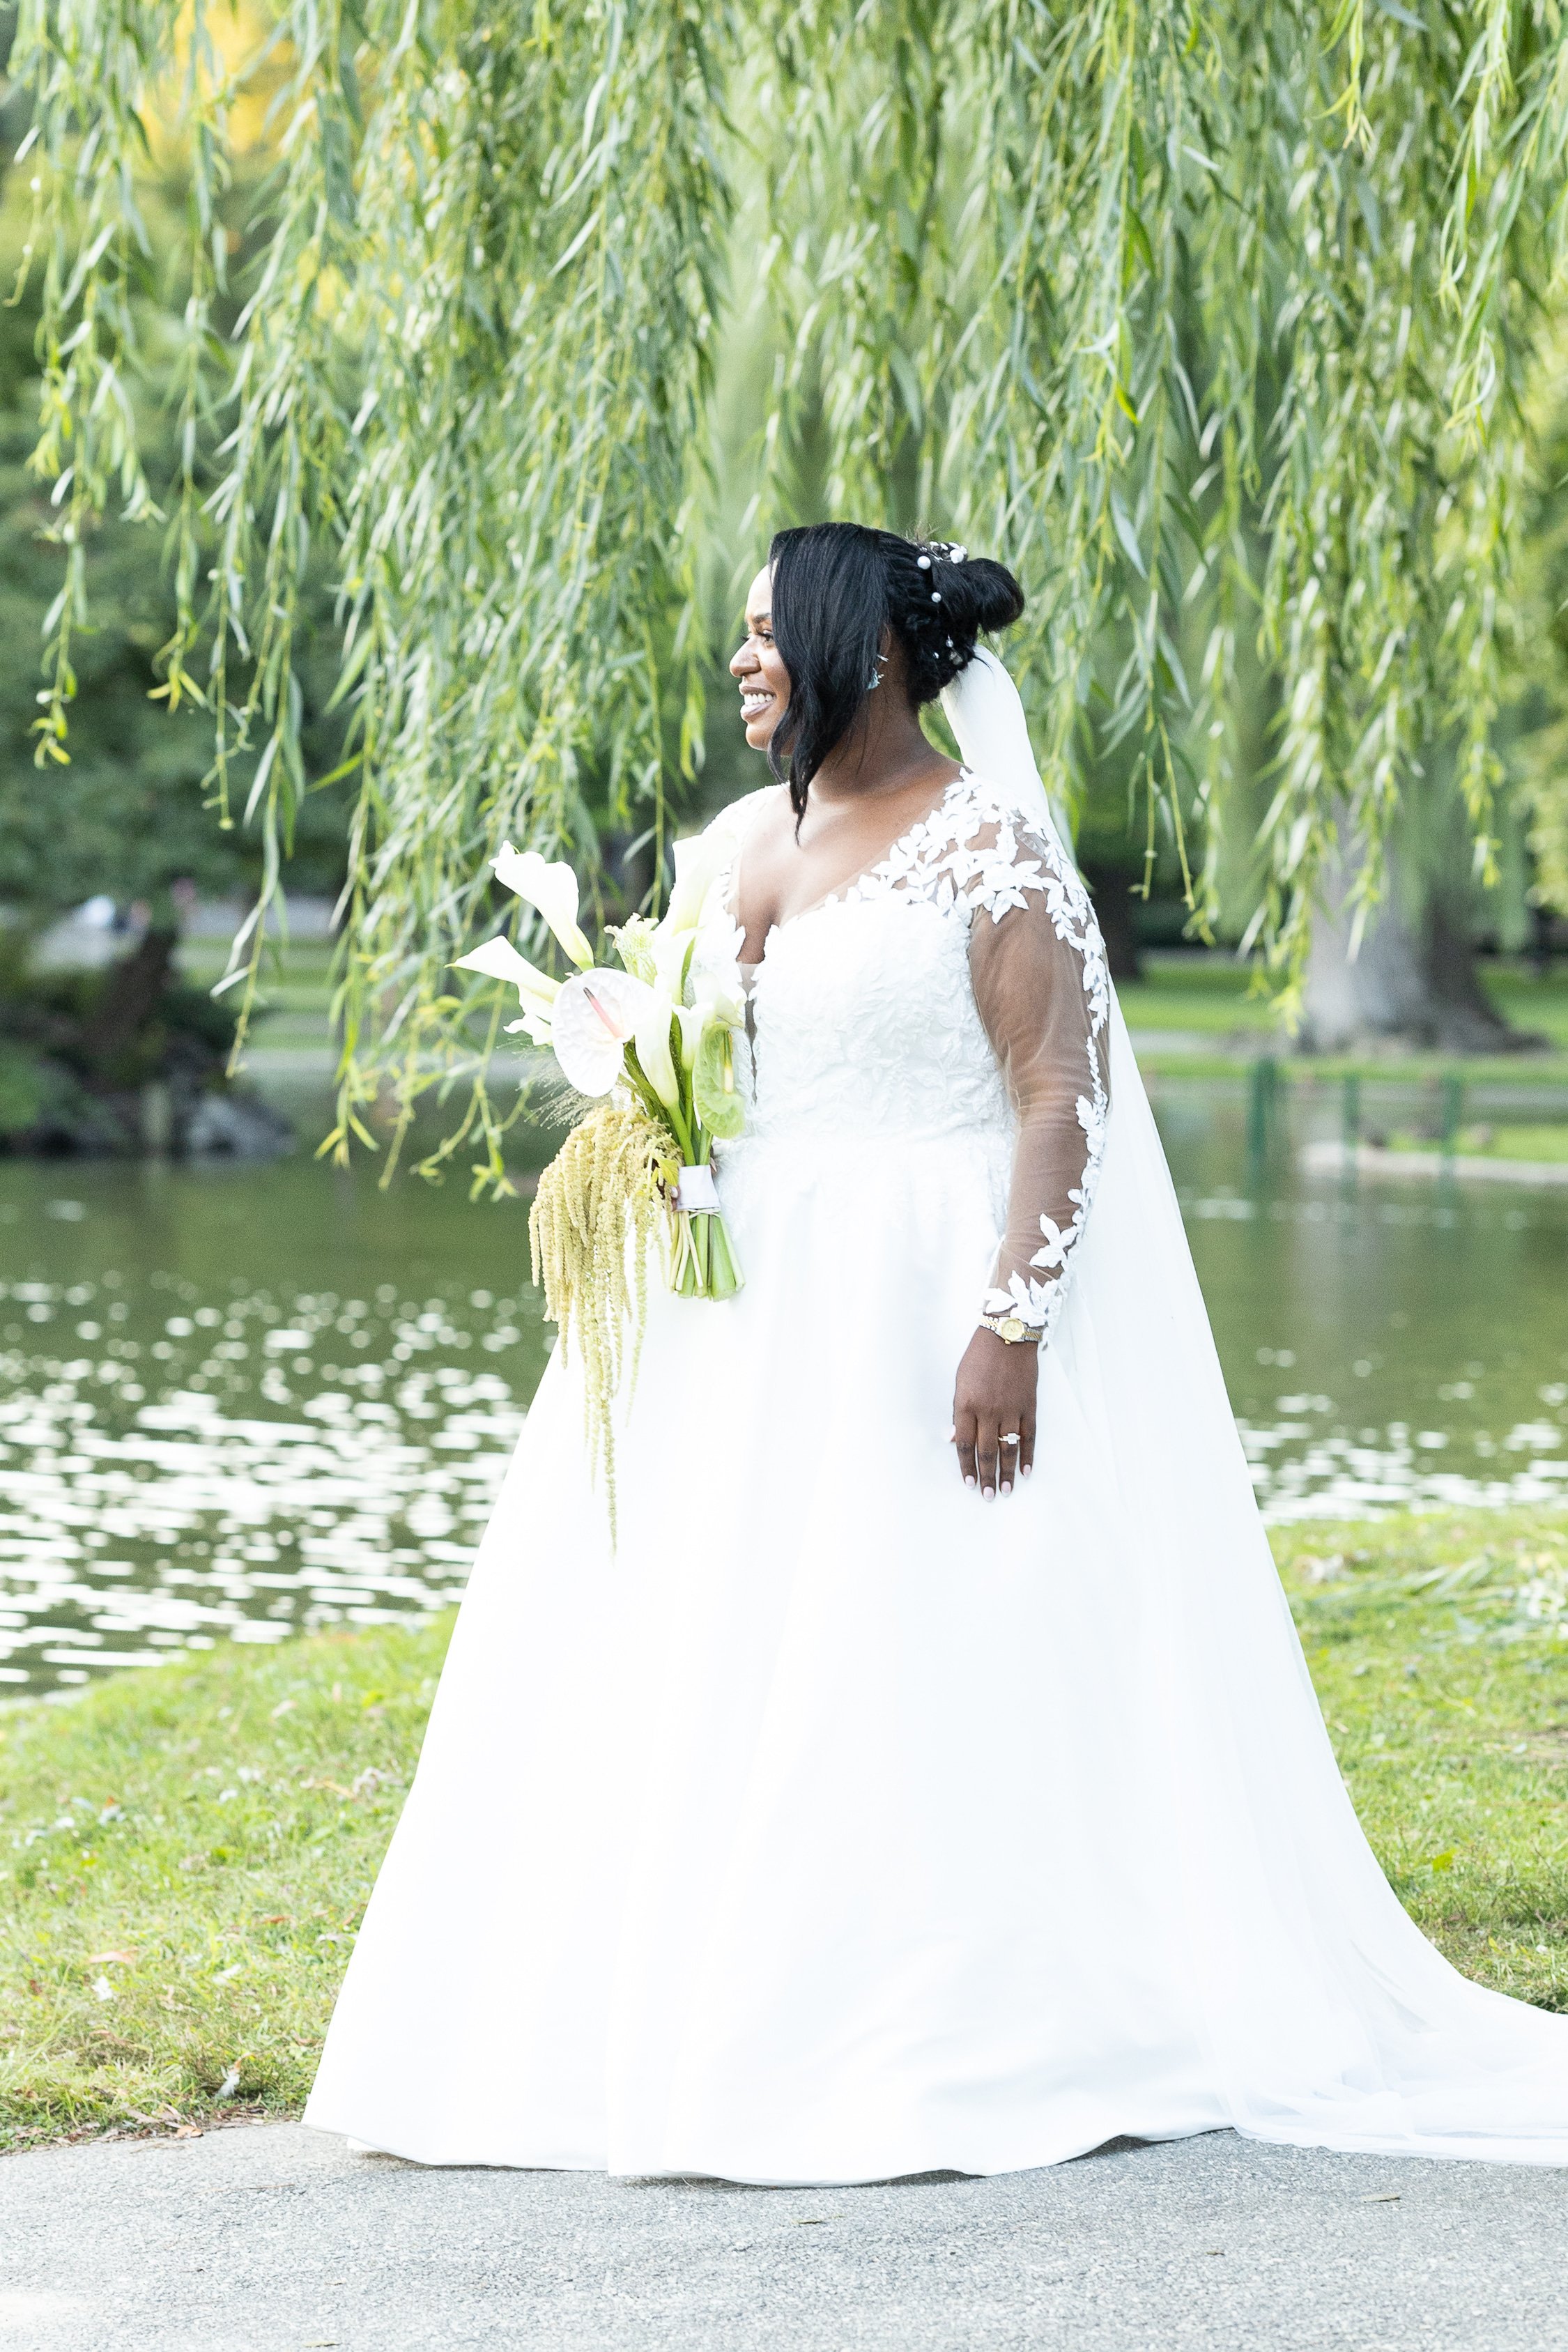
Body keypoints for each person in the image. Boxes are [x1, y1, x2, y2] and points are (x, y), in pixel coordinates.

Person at [305, 522, 1568, 2183]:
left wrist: (1010, 1320)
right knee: (717, 1639)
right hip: (739, 1311)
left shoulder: (994, 842)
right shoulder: (732, 844)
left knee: (905, 1628)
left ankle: (947, 2001)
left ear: (870, 649)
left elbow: (1064, 1092)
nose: (745, 659)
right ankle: (681, 2007)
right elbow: (700, 1056)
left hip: (926, 1289)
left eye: (770, 632)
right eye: (738, 636)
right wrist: (656, 1145)